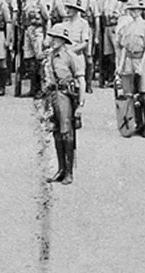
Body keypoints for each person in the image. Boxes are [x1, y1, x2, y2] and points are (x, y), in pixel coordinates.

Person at [42, 23, 84, 184]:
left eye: (56, 38)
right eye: (52, 37)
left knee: (67, 133)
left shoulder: (70, 56)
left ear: (63, 40)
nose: (53, 41)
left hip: (66, 96)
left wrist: (80, 104)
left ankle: (69, 172)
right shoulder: (51, 56)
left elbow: (81, 80)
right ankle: (60, 169)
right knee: (56, 131)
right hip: (54, 94)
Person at [114, 0, 145, 138]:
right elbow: (124, 47)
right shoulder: (127, 26)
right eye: (131, 9)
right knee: (131, 94)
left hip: (140, 59)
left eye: (137, 9)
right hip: (129, 60)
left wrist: (141, 65)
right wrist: (120, 65)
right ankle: (137, 123)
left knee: (143, 93)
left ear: (141, 10)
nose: (134, 12)